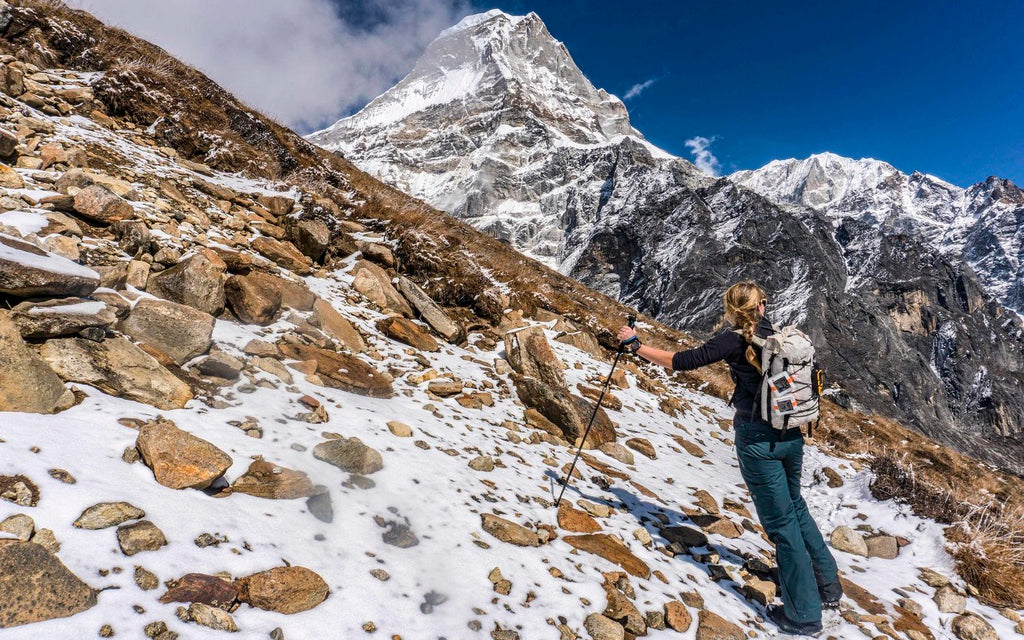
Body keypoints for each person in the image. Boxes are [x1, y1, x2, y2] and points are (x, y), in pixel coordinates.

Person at [616, 281, 841, 636]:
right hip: (792, 436)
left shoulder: (734, 340)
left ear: (732, 309)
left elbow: (681, 361)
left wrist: (636, 345)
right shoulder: (778, 336)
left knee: (782, 526)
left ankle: (804, 615)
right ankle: (827, 587)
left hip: (758, 442)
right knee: (796, 509)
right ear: (763, 306)